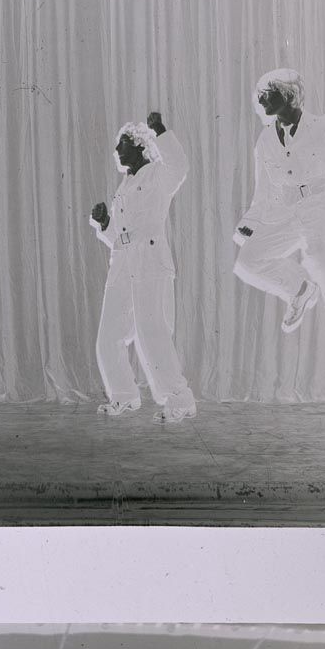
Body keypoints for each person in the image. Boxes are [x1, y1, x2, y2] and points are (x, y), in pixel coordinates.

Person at [232, 69, 325, 337]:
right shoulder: (265, 140)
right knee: (248, 259)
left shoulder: (324, 127)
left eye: (267, 94)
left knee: (319, 250)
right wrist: (251, 222)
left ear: (288, 94)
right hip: (286, 210)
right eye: (260, 96)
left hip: (323, 202)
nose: (260, 100)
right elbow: (263, 190)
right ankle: (300, 290)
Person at [89, 112, 197, 422]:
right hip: (123, 263)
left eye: (122, 144)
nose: (117, 150)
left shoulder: (158, 175)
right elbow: (118, 236)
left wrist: (159, 130)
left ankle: (180, 400)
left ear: (139, 146)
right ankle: (124, 395)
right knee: (108, 335)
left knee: (152, 333)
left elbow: (180, 166)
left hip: (150, 262)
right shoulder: (124, 186)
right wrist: (105, 223)